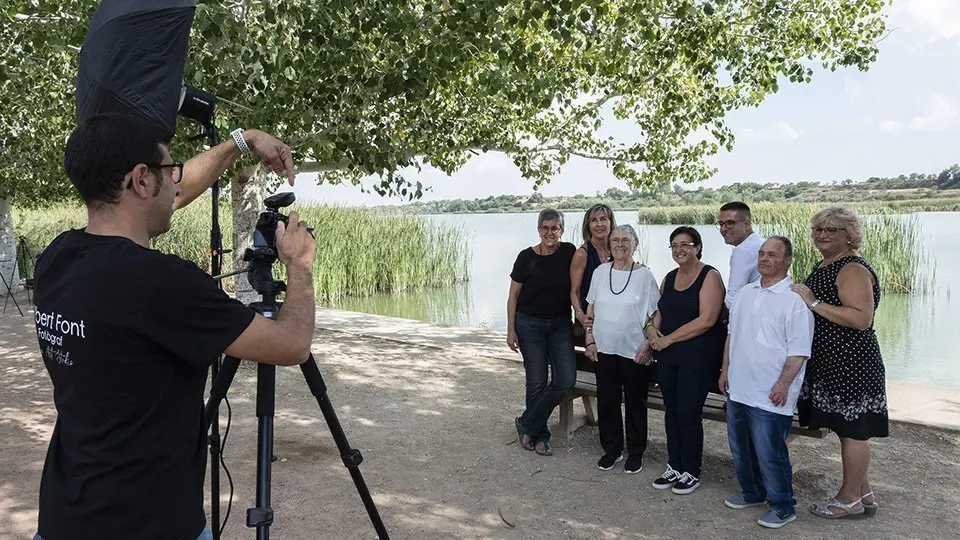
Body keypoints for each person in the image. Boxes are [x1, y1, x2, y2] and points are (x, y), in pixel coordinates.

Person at [31, 113, 315, 540]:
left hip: (64, 517)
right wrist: (300, 265)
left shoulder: (56, 259)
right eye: (170, 169)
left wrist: (245, 140)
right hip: (151, 524)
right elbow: (293, 344)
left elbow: (168, 199)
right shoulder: (163, 284)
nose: (176, 183)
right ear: (141, 180)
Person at [790, 206, 889, 519]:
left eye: (832, 230)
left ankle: (848, 500)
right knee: (847, 429)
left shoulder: (852, 268)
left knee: (854, 431)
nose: (822, 235)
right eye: (819, 229)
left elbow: (861, 318)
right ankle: (864, 491)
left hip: (852, 362)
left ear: (850, 236)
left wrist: (813, 302)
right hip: (832, 361)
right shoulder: (828, 264)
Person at [719, 236, 814, 529]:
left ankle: (784, 505)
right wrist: (725, 371)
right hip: (739, 386)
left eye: (772, 255)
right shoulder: (746, 293)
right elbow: (731, 336)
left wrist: (784, 384)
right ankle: (752, 493)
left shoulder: (795, 300)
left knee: (770, 452)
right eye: (761, 254)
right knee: (740, 447)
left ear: (787, 261)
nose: (764, 259)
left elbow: (799, 351)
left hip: (770, 392)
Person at [644, 226, 726, 495]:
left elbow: (707, 320)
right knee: (672, 412)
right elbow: (660, 311)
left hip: (697, 357)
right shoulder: (669, 277)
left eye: (686, 244)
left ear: (698, 247)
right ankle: (674, 464)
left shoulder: (709, 276)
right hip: (668, 358)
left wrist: (667, 339)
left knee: (689, 414)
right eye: (674, 245)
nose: (679, 249)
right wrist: (652, 331)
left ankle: (692, 470)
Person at [583, 225, 659, 474]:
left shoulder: (644, 276)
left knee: (635, 403)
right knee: (607, 401)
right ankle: (612, 449)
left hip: (634, 351)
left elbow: (656, 314)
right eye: (615, 240)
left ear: (635, 244)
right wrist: (590, 340)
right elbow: (590, 312)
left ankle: (635, 451)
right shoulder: (600, 272)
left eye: (626, 240)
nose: (620, 244)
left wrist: (649, 344)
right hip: (604, 349)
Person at [506, 208, 577, 457]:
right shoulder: (525, 257)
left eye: (554, 228)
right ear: (539, 230)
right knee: (536, 381)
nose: (549, 232)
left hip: (559, 324)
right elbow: (513, 295)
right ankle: (541, 435)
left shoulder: (570, 252)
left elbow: (595, 264)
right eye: (545, 228)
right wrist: (510, 329)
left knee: (565, 380)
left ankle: (526, 423)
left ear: (562, 230)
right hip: (529, 325)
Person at [570, 203, 615, 340]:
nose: (599, 224)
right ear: (588, 226)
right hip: (589, 322)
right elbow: (574, 291)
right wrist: (581, 316)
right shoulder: (582, 254)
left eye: (603, 219)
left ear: (611, 223)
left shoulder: (618, 250)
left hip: (613, 320)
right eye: (594, 220)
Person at [718, 201, 764, 309]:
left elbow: (732, 299)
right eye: (721, 224)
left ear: (747, 225)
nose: (723, 229)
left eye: (730, 223)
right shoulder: (760, 242)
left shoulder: (743, 250)